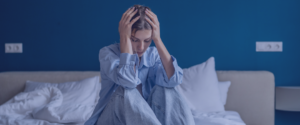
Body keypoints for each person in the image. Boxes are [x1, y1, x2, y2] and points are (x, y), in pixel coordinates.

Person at [84, 4, 195, 125]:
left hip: (142, 121)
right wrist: (124, 38)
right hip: (111, 120)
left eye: (147, 40)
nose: (141, 47)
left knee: (167, 88)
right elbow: (128, 82)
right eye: (134, 39)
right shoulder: (107, 54)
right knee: (126, 90)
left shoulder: (153, 55)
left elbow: (175, 80)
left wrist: (157, 39)